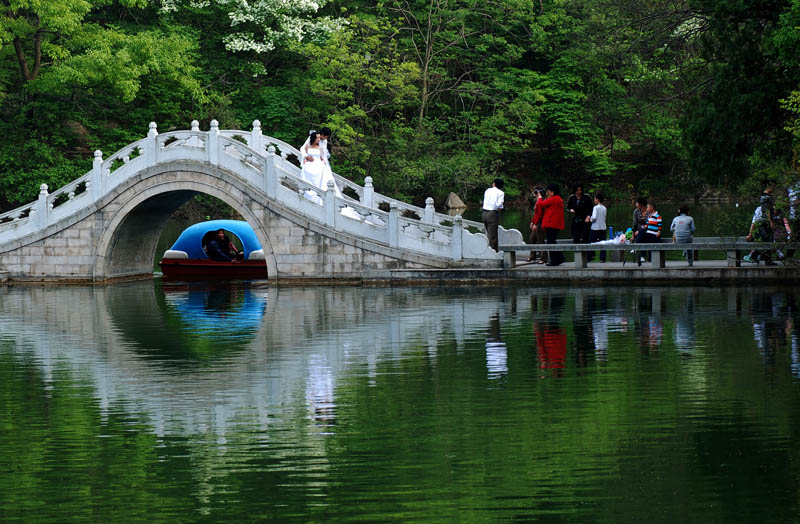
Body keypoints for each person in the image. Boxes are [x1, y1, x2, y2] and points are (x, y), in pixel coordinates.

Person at [532, 183, 565, 266]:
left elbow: (541, 204)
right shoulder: (557, 199)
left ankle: (556, 260)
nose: (547, 193)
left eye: (548, 192)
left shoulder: (554, 199)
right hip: (554, 224)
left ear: (552, 192)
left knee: (551, 242)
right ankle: (559, 258)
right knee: (552, 241)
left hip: (552, 224)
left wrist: (539, 198)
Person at [744, 194, 776, 265]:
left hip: (767, 228)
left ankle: (767, 260)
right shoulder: (759, 210)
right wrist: (750, 234)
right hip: (760, 229)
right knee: (764, 244)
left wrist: (770, 218)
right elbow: (754, 222)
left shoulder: (771, 210)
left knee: (768, 243)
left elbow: (772, 224)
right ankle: (754, 256)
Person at [482, 178, 505, 251]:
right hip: (492, 213)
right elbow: (499, 204)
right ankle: (493, 252)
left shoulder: (487, 190)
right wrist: (499, 210)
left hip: (484, 213)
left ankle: (492, 250)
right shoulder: (500, 193)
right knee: (493, 235)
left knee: (489, 232)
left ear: (494, 184)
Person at [527, 188, 548, 264]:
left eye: (537, 193)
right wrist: (532, 222)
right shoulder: (538, 201)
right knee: (531, 239)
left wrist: (535, 223)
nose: (535, 195)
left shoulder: (542, 201)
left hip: (541, 223)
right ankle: (533, 256)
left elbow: (540, 214)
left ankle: (544, 258)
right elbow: (536, 213)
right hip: (536, 223)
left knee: (540, 240)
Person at [638, 200, 661, 266]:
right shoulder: (649, 216)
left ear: (652, 208)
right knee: (641, 232)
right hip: (648, 233)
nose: (647, 209)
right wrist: (643, 228)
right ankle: (637, 247)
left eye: (648, 208)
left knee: (641, 233)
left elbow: (659, 225)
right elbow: (647, 225)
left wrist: (659, 231)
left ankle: (636, 247)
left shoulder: (657, 216)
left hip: (654, 234)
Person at [586, 192, 607, 262]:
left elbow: (594, 217)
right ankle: (602, 259)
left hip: (595, 228)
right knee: (603, 244)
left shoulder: (595, 208)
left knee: (591, 243)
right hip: (603, 228)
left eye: (595, 199)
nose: (594, 200)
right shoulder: (604, 208)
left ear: (597, 199)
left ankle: (589, 257)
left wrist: (590, 219)